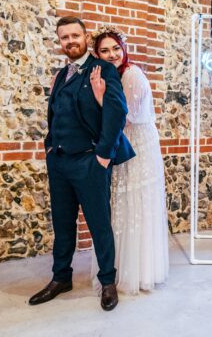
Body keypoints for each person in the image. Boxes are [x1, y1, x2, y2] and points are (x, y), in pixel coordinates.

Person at [29, 17, 135, 311]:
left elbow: (116, 113)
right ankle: (60, 277)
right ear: (60, 42)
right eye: (64, 38)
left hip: (90, 161)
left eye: (75, 35)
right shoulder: (61, 74)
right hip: (60, 162)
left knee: (100, 225)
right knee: (62, 225)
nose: (70, 41)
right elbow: (56, 114)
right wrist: (50, 147)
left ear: (86, 38)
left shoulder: (103, 70)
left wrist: (102, 155)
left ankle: (108, 282)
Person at [89, 25, 169, 295]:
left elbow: (124, 116)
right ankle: (120, 267)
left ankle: (138, 271)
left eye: (115, 49)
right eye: (105, 50)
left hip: (137, 145)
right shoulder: (114, 74)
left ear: (123, 49)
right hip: (124, 141)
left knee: (134, 203)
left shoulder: (132, 75)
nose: (112, 54)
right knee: (121, 204)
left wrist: (100, 100)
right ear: (97, 54)